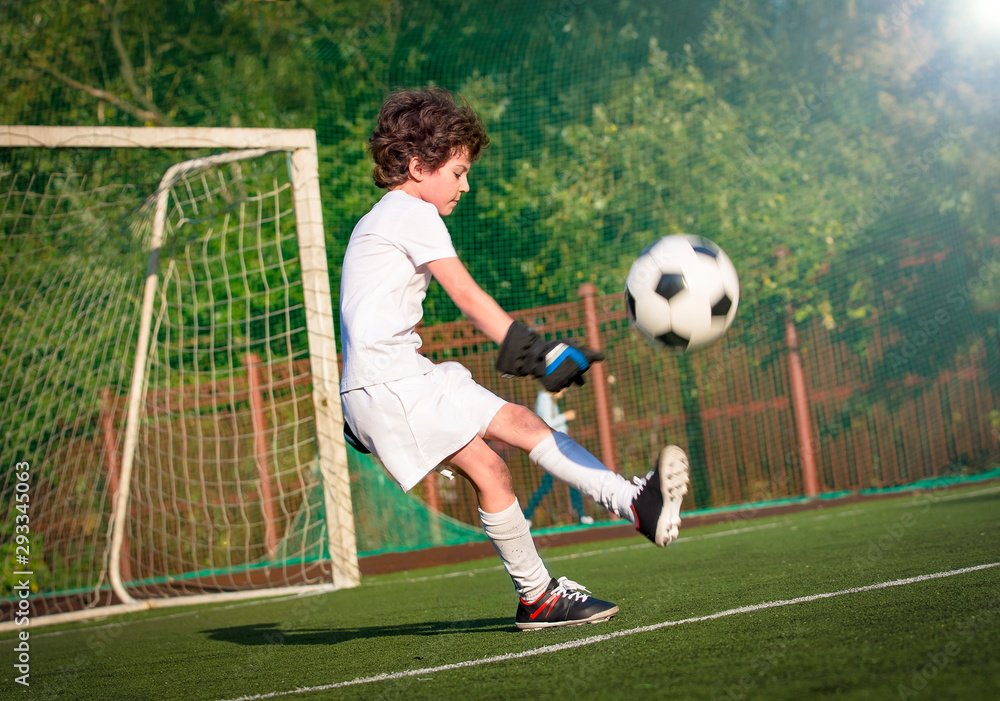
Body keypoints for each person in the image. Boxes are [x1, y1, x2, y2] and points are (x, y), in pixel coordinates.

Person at [338, 87, 690, 630]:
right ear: (416, 166)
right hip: (391, 384)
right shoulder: (410, 213)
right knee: (491, 466)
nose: (465, 184)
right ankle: (540, 594)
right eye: (457, 172)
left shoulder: (382, 218)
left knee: (519, 428)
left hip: (399, 377)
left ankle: (632, 505)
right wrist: (538, 353)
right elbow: (468, 295)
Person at [523, 389, 594, 528]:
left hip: (559, 447)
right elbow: (547, 422)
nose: (565, 388)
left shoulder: (550, 400)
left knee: (571, 479)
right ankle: (526, 515)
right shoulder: (544, 398)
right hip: (553, 448)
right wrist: (565, 417)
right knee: (548, 484)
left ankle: (581, 513)